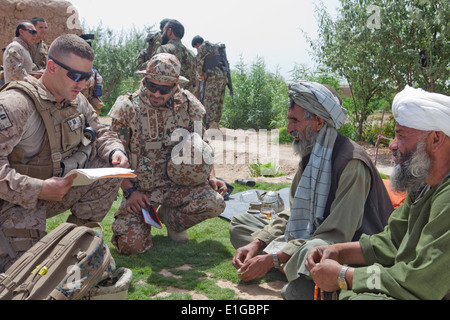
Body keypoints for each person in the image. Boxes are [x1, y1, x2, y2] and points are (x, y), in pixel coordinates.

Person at [230, 81, 394, 300]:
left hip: (346, 249)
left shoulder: (352, 163)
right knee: (240, 224)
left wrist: (273, 258)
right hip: (307, 238)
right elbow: (293, 211)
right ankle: (290, 267)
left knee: (315, 250)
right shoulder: (310, 156)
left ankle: (286, 267)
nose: (288, 129)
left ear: (318, 121)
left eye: (294, 120)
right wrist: (258, 242)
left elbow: (335, 236)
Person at [306, 86, 450, 300]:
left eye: (401, 136)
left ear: (436, 139)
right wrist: (338, 251)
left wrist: (345, 276)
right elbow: (392, 240)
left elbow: (422, 282)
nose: (392, 145)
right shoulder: (423, 183)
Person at [0, 34, 129, 273]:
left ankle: (73, 241)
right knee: (26, 277)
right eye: (75, 76)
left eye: (87, 76)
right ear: (51, 67)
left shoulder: (76, 100)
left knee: (110, 167)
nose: (82, 84)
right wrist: (38, 188)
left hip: (56, 191)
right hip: (13, 202)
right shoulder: (15, 105)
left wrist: (115, 151)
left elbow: (101, 131)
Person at [108, 53, 227, 254]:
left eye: (163, 89)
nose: (155, 93)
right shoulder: (128, 107)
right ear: (144, 80)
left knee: (214, 203)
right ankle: (142, 222)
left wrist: (211, 176)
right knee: (130, 247)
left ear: (175, 86)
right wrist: (130, 192)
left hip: (180, 187)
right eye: (151, 85)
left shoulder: (189, 106)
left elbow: (202, 143)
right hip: (142, 193)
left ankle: (172, 221)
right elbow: (112, 154)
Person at [191, 35, 228, 129]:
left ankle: (211, 127)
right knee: (219, 102)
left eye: (196, 48)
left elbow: (198, 63)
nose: (197, 49)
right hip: (223, 76)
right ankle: (216, 124)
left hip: (213, 78)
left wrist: (201, 75)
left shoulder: (203, 47)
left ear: (197, 44)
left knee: (210, 102)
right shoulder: (216, 47)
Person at [156, 19, 196, 94]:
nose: (162, 34)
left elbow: (156, 77)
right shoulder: (192, 54)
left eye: (164, 31)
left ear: (170, 31)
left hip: (168, 100)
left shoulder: (163, 49)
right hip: (186, 99)